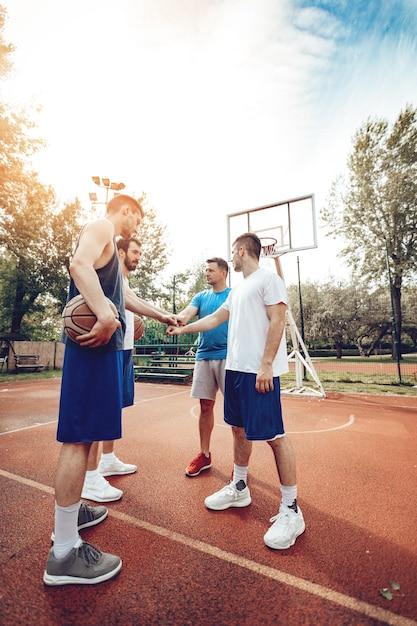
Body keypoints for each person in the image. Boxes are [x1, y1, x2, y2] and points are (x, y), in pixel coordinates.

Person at [44, 194, 176, 586]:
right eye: (136, 214)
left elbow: (126, 299)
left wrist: (159, 313)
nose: (138, 221)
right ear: (123, 210)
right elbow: (78, 265)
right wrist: (103, 312)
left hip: (103, 349)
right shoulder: (101, 227)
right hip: (91, 346)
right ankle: (64, 551)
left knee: (86, 438)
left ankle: (71, 514)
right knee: (78, 438)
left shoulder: (114, 261)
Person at [167, 233, 305, 550]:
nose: (232, 257)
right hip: (236, 370)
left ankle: (292, 509)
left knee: (274, 435)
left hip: (260, 372)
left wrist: (267, 364)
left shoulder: (268, 280)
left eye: (233, 252)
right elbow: (216, 318)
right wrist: (183, 327)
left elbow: (278, 319)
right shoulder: (239, 289)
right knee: (238, 429)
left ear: (242, 251)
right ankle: (240, 486)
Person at [82, 235, 178, 502]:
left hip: (124, 349)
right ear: (120, 253)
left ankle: (108, 459)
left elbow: (135, 300)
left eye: (140, 253)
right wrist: (161, 314)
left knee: (113, 409)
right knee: (101, 412)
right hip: (110, 349)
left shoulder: (123, 281)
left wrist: (161, 314)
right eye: (134, 252)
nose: (138, 257)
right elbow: (128, 300)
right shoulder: (112, 277)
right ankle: (89, 477)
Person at [177, 258, 230, 477]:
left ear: (223, 273)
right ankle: (205, 454)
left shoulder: (234, 295)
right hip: (204, 356)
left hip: (229, 356)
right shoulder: (201, 296)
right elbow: (188, 312)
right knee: (205, 406)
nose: (207, 273)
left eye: (211, 270)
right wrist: (178, 319)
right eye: (205, 270)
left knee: (236, 410)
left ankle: (241, 465)